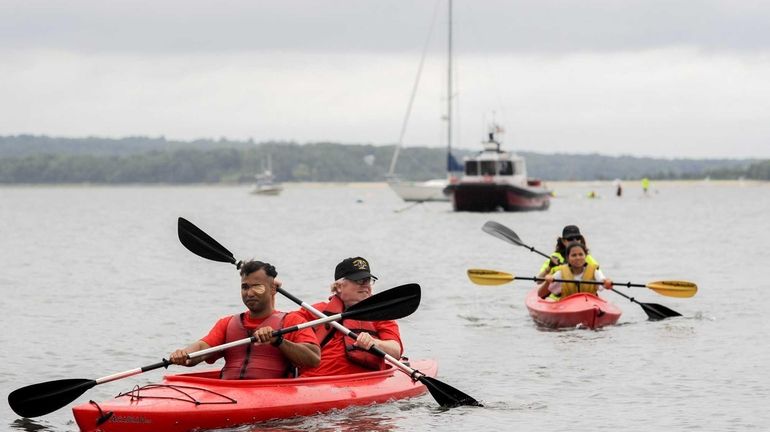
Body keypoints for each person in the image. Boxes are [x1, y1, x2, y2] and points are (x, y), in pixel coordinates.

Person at [168, 260, 320, 379]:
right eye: (245, 287)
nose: (250, 293)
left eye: (257, 287)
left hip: (273, 394)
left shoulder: (292, 321)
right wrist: (184, 354)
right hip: (227, 392)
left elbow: (314, 359)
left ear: (272, 289)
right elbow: (202, 348)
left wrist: (279, 341)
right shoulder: (227, 323)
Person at [297, 256, 403, 377]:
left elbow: (395, 351)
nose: (365, 285)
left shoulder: (380, 315)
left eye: (367, 280)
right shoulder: (316, 312)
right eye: (359, 280)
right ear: (339, 286)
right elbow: (281, 324)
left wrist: (374, 343)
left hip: (363, 382)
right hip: (314, 382)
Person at [537, 242, 613, 300]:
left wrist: (608, 283)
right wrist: (547, 281)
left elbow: (604, 282)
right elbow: (540, 294)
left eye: (581, 254)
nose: (578, 258)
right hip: (567, 305)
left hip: (590, 304)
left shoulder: (594, 271)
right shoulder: (560, 274)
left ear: (585, 256)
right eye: (574, 255)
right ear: (568, 258)